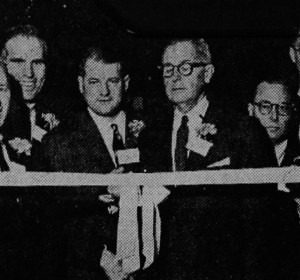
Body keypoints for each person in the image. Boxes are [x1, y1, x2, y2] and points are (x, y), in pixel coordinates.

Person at [139, 38, 300, 280]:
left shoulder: (242, 129)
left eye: (185, 67)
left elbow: (259, 222)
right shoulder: (150, 135)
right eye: (168, 69)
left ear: (208, 73)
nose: (175, 77)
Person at [29, 42, 150, 279]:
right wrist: (98, 255)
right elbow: (48, 217)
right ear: (80, 84)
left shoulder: (154, 133)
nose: (104, 92)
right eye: (94, 82)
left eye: (112, 81)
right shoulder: (56, 144)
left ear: (125, 83)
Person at [1, 24, 61, 147]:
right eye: (18, 62)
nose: (29, 73)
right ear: (2, 64)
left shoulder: (61, 118)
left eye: (37, 62)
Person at [248, 75, 299, 166]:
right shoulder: (238, 156)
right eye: (265, 107)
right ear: (251, 110)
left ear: (292, 111)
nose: (274, 117)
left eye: (283, 108)